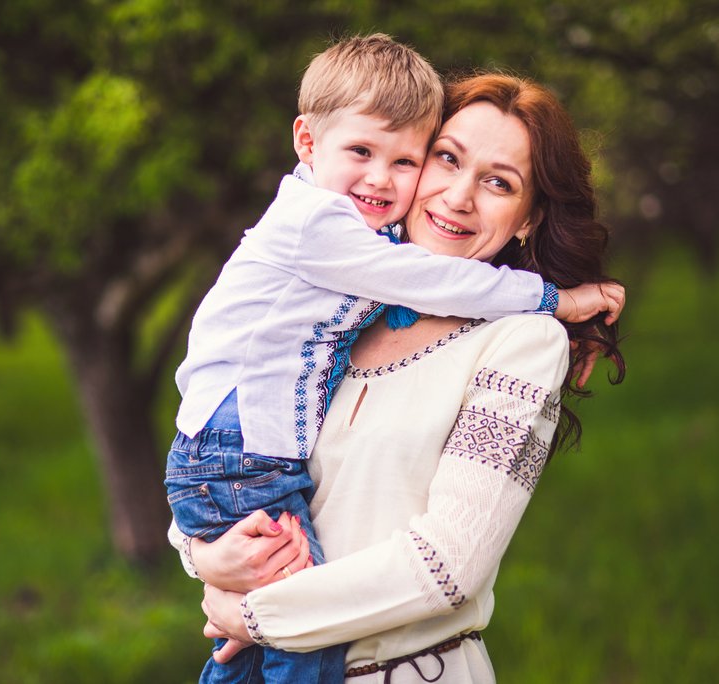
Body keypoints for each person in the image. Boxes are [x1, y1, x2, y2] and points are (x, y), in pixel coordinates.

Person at [166, 34, 624, 684]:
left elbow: (446, 569)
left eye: (498, 182)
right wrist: (207, 561)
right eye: (446, 159)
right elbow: (225, 466)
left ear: (529, 217)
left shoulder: (523, 342)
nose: (459, 196)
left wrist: (258, 616)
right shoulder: (342, 310)